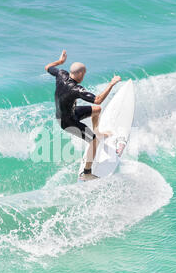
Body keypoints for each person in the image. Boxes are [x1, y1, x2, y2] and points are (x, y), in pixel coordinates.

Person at [45, 50, 121, 181]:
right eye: (84, 73)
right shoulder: (76, 89)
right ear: (79, 73)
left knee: (97, 110)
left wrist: (60, 61)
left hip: (69, 112)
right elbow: (97, 99)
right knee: (94, 140)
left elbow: (48, 67)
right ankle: (87, 173)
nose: (84, 76)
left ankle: (98, 131)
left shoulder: (61, 74)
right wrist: (111, 84)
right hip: (67, 122)